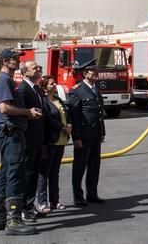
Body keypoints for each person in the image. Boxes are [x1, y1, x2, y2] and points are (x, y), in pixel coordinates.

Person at [0, 48, 41, 236]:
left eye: (18, 58)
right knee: (15, 173)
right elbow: (4, 107)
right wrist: (28, 112)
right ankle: (14, 220)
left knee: (5, 172)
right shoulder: (4, 79)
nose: (17, 61)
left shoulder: (3, 79)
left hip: (6, 131)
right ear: (4, 61)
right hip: (11, 131)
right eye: (13, 58)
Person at [67, 61, 106, 207]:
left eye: (96, 71)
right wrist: (76, 137)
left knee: (94, 166)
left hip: (95, 134)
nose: (95, 73)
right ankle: (78, 196)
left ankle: (92, 193)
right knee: (79, 167)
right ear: (85, 73)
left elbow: (99, 114)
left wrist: (102, 132)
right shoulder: (77, 90)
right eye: (92, 71)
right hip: (83, 135)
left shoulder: (95, 90)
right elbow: (74, 116)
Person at [16, 61, 48, 223]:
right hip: (28, 139)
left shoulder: (35, 88)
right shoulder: (22, 90)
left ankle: (30, 204)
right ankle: (23, 208)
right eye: (35, 68)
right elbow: (21, 116)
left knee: (34, 173)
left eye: (39, 67)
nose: (39, 69)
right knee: (27, 174)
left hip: (38, 139)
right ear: (25, 72)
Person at [36, 76, 71, 212]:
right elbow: (48, 118)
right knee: (44, 172)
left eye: (54, 83)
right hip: (50, 141)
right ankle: (42, 202)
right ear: (45, 87)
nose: (55, 85)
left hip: (61, 140)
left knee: (55, 172)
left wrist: (69, 125)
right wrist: (62, 127)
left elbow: (66, 114)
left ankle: (55, 200)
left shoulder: (58, 100)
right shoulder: (43, 102)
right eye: (51, 84)